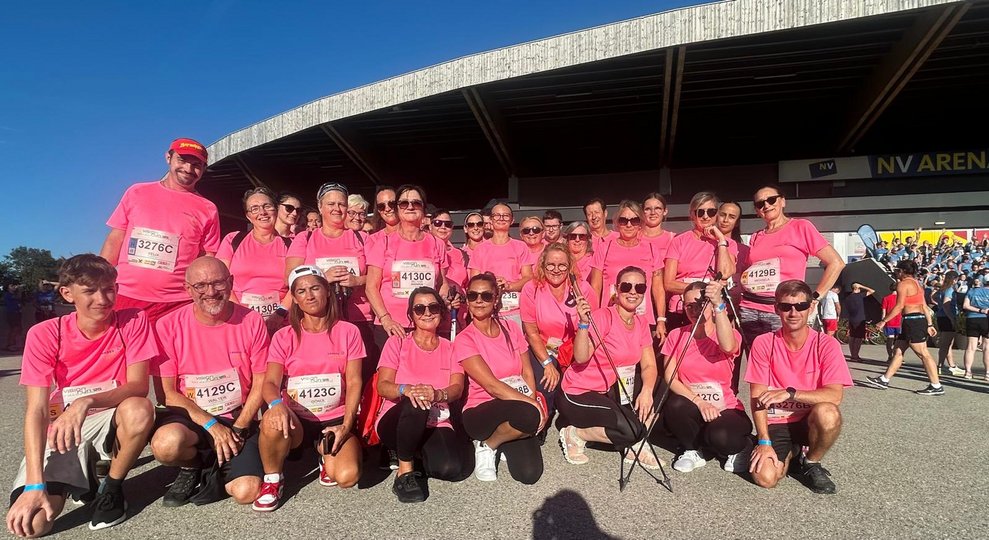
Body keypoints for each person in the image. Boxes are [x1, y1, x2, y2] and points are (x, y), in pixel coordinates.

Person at [6, 255, 157, 534]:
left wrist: (85, 402)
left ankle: (110, 487)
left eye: (109, 289)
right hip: (64, 427)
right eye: (89, 291)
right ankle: (84, 478)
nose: (102, 299)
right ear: (67, 293)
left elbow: (138, 386)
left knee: (139, 408)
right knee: (32, 526)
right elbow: (37, 411)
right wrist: (34, 484)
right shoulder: (45, 333)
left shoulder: (133, 321)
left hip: (108, 416)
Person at [149, 257, 268, 508]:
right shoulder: (167, 326)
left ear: (231, 282)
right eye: (201, 285)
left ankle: (218, 465)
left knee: (247, 492)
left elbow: (261, 382)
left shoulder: (252, 321)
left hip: (238, 417)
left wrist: (238, 428)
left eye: (218, 283)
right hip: (191, 417)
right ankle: (191, 466)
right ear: (187, 289)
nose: (211, 292)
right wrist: (212, 425)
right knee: (165, 444)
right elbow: (166, 394)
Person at [253, 266, 365, 511]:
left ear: (327, 291)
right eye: (301, 291)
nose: (310, 296)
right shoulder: (284, 336)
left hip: (333, 418)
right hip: (296, 420)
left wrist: (347, 425)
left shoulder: (349, 332)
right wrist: (276, 405)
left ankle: (324, 453)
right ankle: (273, 479)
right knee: (272, 419)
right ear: (295, 298)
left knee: (347, 476)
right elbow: (270, 383)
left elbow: (355, 381)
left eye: (315, 288)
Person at [98, 138, 219, 327]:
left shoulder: (208, 208)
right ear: (168, 158)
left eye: (196, 165)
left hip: (177, 303)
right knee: (121, 354)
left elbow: (207, 256)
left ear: (204, 168)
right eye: (182, 160)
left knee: (170, 357)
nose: (188, 169)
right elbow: (116, 238)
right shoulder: (136, 192)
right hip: (126, 295)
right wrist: (97, 280)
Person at [746, 280, 852, 494]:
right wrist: (764, 440)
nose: (793, 313)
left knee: (829, 412)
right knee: (766, 478)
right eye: (786, 307)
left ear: (811, 307)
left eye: (801, 306)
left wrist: (791, 392)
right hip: (777, 420)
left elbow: (835, 395)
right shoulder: (763, 342)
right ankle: (791, 454)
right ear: (777, 309)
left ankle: (811, 462)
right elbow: (757, 396)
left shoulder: (827, 344)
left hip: (808, 419)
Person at [557, 266, 662, 469]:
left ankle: (636, 445)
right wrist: (584, 324)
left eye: (639, 287)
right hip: (579, 392)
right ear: (616, 289)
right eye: (627, 286)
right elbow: (581, 357)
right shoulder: (603, 316)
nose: (633, 292)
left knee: (660, 387)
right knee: (632, 429)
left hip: (611, 389)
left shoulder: (640, 322)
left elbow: (649, 364)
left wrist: (647, 391)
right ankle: (576, 433)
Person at [375, 287, 468, 503]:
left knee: (450, 468)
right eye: (419, 308)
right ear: (411, 315)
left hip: (436, 419)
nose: (427, 312)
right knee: (418, 399)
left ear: (441, 312)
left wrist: (437, 393)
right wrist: (406, 389)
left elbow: (457, 388)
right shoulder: (397, 342)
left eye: (433, 307)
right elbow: (383, 385)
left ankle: (410, 452)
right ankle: (404, 472)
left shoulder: (451, 348)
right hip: (398, 418)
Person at [454, 273, 545, 483]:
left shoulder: (511, 327)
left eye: (486, 296)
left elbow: (527, 371)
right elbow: (492, 386)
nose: (479, 300)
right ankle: (487, 445)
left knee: (529, 474)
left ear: (496, 299)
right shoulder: (465, 339)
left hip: (516, 404)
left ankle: (503, 437)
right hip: (482, 410)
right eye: (473, 295)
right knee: (529, 415)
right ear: (467, 300)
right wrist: (532, 405)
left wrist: (533, 397)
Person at [286, 182, 375, 383]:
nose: (337, 209)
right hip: (318, 321)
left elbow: (381, 277)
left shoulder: (362, 238)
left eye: (342, 204)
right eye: (331, 204)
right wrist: (322, 278)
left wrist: (357, 280)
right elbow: (290, 276)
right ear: (320, 207)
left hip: (360, 319)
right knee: (328, 376)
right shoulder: (305, 237)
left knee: (362, 380)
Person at [661, 281, 752, 473]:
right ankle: (692, 449)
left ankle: (742, 446)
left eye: (701, 303)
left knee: (721, 437)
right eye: (689, 305)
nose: (695, 309)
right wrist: (700, 402)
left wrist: (719, 305)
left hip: (725, 407)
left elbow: (728, 347)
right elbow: (670, 378)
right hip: (694, 404)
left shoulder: (727, 332)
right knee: (674, 404)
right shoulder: (676, 335)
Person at [737, 185, 844, 350]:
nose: (766, 205)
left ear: (782, 201)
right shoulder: (755, 237)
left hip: (783, 310)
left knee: (784, 364)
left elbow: (836, 263)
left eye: (771, 200)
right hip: (750, 308)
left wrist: (815, 297)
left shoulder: (801, 227)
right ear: (757, 210)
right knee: (757, 365)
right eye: (760, 204)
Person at [520, 244, 599, 439]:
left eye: (562, 265)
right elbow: (531, 331)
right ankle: (541, 421)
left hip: (575, 346)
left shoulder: (582, 289)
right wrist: (547, 363)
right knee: (546, 381)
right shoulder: (532, 288)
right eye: (551, 265)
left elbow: (595, 326)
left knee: (577, 390)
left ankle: (571, 420)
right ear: (542, 266)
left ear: (570, 266)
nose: (556, 270)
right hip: (544, 346)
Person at [366, 184, 449, 358]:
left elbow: (442, 284)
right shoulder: (383, 242)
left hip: (426, 322)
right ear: (397, 208)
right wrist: (385, 319)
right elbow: (371, 287)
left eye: (416, 203)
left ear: (424, 209)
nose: (410, 207)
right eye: (404, 203)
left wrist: (441, 307)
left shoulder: (436, 243)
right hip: (391, 325)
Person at [863, 260, 944, 395]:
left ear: (902, 271)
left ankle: (936, 386)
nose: (896, 273)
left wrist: (883, 321)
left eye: (897, 270)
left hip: (913, 321)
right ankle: (884, 379)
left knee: (923, 353)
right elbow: (924, 305)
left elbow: (899, 306)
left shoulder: (903, 285)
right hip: (914, 320)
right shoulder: (917, 284)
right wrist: (929, 324)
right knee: (898, 351)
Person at [216, 187, 291, 334]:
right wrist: (241, 315)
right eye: (254, 208)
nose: (262, 212)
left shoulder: (291, 245)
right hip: (238, 322)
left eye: (267, 206)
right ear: (248, 216)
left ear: (276, 210)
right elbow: (220, 280)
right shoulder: (233, 240)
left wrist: (280, 314)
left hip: (280, 323)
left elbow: (297, 285)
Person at [589, 200, 666, 342]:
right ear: (617, 223)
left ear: (641, 223)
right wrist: (594, 318)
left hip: (642, 319)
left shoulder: (651, 248)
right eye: (624, 220)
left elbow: (658, 288)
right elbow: (595, 287)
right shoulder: (604, 248)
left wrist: (661, 319)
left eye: (634, 220)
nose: (629, 225)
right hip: (610, 319)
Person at [664, 192, 737, 330]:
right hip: (682, 308)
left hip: (712, 309)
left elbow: (726, 273)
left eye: (711, 212)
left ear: (716, 214)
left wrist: (721, 241)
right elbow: (668, 283)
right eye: (700, 212)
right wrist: (700, 289)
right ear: (692, 214)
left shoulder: (728, 243)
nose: (705, 216)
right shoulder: (678, 241)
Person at [468, 203, 533, 326]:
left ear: (512, 220)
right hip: (487, 311)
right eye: (497, 215)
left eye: (505, 216)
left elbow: (528, 277)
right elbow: (473, 281)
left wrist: (508, 286)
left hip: (515, 311)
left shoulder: (521, 246)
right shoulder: (480, 249)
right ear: (491, 220)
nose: (501, 218)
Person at [933, 271, 965, 375]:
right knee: (945, 344)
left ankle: (951, 365)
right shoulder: (949, 290)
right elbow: (946, 305)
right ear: (955, 279)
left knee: (948, 343)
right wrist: (952, 318)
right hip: (946, 318)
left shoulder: (942, 289)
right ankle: (941, 366)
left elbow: (935, 298)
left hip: (941, 317)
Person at [430, 209, 468, 291]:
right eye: (438, 223)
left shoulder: (461, 254)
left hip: (460, 302)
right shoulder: (424, 251)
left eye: (448, 224)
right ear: (430, 226)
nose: (443, 227)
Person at [960, 278, 989, 380]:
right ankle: (987, 373)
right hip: (986, 320)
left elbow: (965, 305)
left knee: (970, 347)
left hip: (972, 318)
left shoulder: (972, 291)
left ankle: (967, 372)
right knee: (986, 348)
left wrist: (979, 310)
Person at [843, 282, 874, 360]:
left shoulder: (848, 298)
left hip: (852, 318)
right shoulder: (860, 296)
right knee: (858, 338)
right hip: (860, 318)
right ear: (857, 288)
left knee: (852, 337)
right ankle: (855, 355)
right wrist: (862, 286)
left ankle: (853, 354)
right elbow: (872, 291)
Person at [640, 193, 674, 258]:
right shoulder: (633, 237)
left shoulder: (673, 239)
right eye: (648, 209)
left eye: (657, 208)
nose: (653, 212)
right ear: (642, 211)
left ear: (665, 211)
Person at [880, 284, 902, 361]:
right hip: (899, 321)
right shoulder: (901, 299)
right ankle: (898, 356)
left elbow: (884, 311)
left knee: (890, 339)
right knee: (899, 341)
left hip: (889, 322)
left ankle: (890, 356)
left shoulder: (886, 298)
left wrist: (883, 322)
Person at [4, 284, 24, 351]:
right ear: (8, 288)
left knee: (18, 329)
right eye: (11, 286)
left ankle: (16, 344)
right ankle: (10, 344)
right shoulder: (8, 295)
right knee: (14, 328)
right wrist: (19, 290)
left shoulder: (14, 295)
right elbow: (18, 297)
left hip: (17, 313)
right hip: (12, 313)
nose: (14, 287)